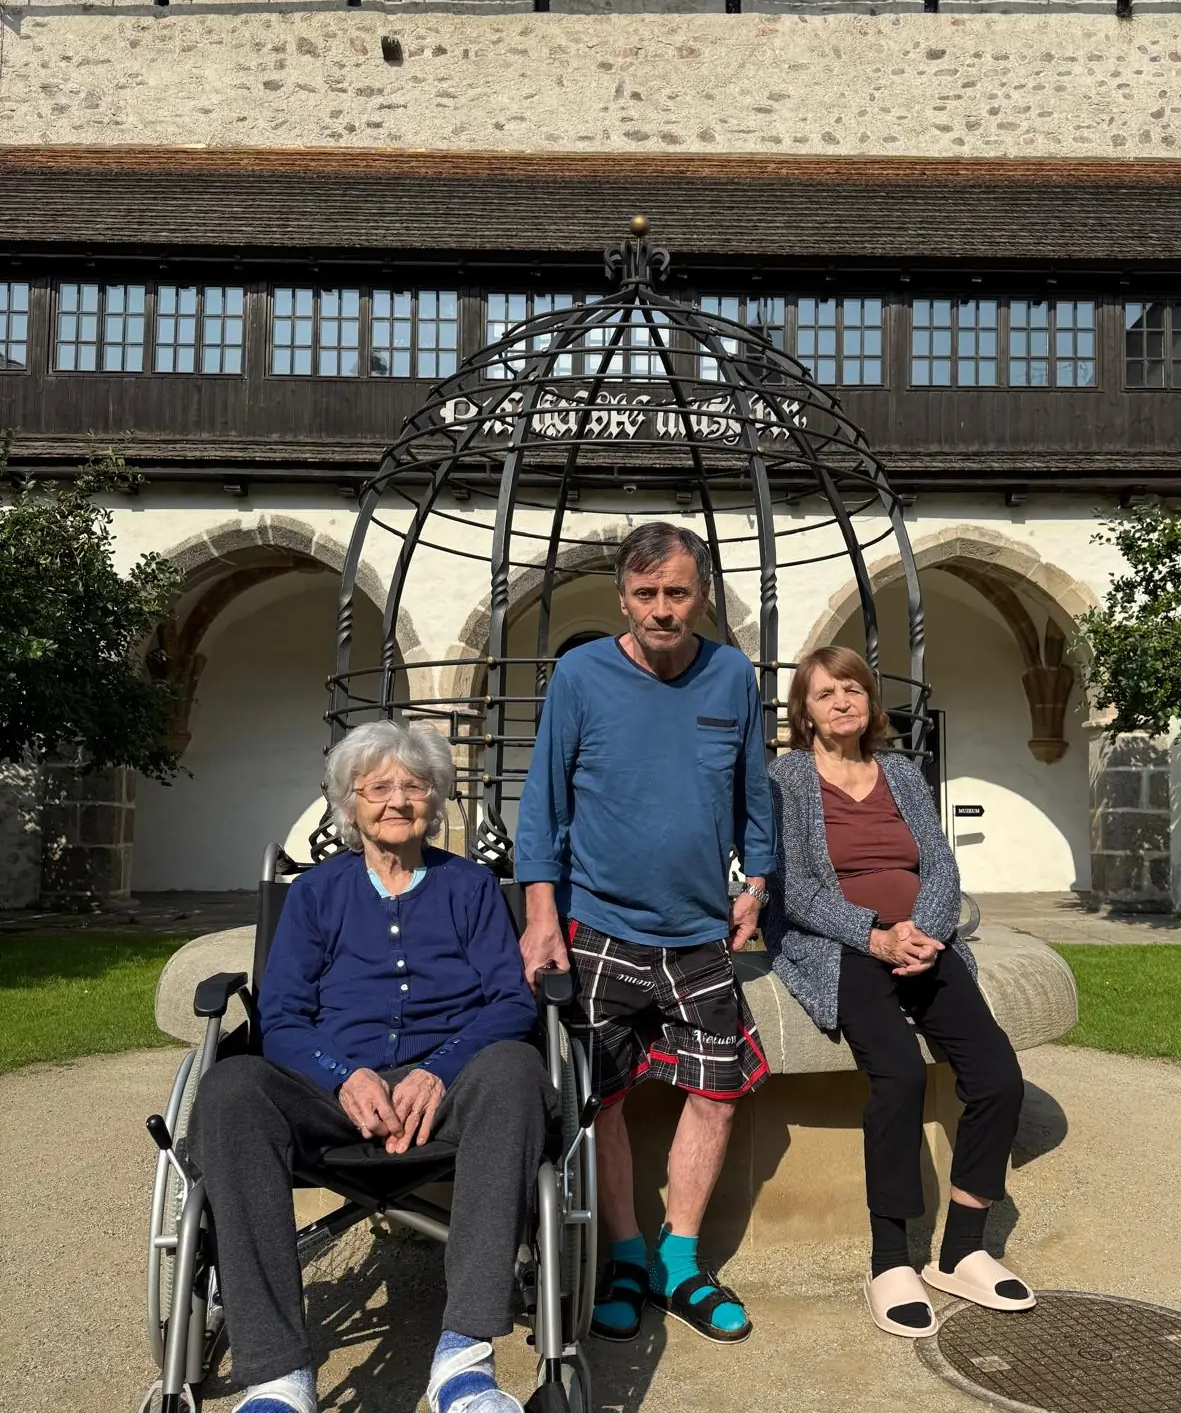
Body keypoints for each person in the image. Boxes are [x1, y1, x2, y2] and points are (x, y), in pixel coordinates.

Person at [188, 720, 550, 1413]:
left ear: (435, 800)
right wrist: (342, 1075)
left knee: (514, 1071)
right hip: (331, 1094)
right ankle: (277, 1375)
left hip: (448, 1091)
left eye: (413, 786)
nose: (396, 801)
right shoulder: (316, 893)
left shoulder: (471, 886)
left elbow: (510, 1002)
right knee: (231, 1088)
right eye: (377, 788)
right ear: (349, 805)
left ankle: (464, 1362)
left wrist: (436, 1070)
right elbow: (281, 1016)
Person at [514, 521, 775, 1345]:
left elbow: (754, 789)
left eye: (677, 593)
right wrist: (540, 915)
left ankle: (680, 1261)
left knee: (716, 1093)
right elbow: (543, 801)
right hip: (599, 924)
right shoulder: (580, 674)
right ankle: (626, 1254)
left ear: (703, 598)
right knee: (603, 1097)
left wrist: (757, 883)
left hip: (700, 930)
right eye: (646, 593)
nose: (662, 609)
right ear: (622, 599)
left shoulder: (731, 675)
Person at [766, 646, 1032, 1340]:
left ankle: (963, 1249)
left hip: (923, 941)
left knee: (997, 1077)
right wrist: (875, 936)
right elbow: (795, 889)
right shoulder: (787, 778)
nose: (842, 702)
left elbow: (939, 863)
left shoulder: (902, 773)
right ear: (805, 711)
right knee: (900, 1075)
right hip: (842, 946)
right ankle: (889, 1261)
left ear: (870, 701)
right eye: (826, 693)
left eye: (853, 689)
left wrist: (926, 931)